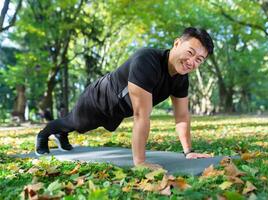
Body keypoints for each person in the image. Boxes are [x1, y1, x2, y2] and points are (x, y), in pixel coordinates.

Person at [35, 27, 214, 169]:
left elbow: (181, 116)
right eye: (190, 52)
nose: (192, 62)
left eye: (199, 59)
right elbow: (141, 115)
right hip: (99, 98)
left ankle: (62, 133)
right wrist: (140, 162)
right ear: (176, 44)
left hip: (118, 109)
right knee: (75, 123)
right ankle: (44, 135)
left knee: (82, 128)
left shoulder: (181, 79)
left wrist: (188, 151)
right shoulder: (147, 61)